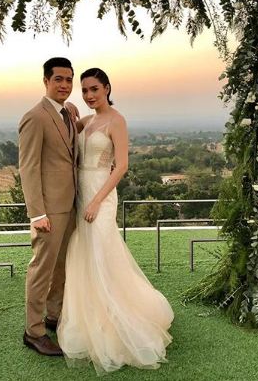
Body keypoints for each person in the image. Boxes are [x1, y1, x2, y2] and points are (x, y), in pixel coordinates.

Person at [57, 68, 174, 375]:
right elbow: (67, 129)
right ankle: (91, 318)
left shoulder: (116, 121)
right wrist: (69, 109)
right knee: (84, 252)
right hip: (81, 192)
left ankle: (118, 321)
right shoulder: (86, 121)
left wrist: (97, 201)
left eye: (94, 89)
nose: (89, 95)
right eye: (84, 90)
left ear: (107, 88)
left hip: (102, 195)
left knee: (101, 252)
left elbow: (121, 166)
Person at [18, 57, 78, 356]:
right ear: (46, 81)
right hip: (48, 211)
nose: (64, 85)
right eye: (58, 79)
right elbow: (28, 168)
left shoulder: (69, 112)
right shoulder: (35, 117)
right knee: (42, 269)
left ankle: (54, 316)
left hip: (70, 205)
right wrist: (37, 213)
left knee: (62, 266)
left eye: (69, 79)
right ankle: (34, 332)